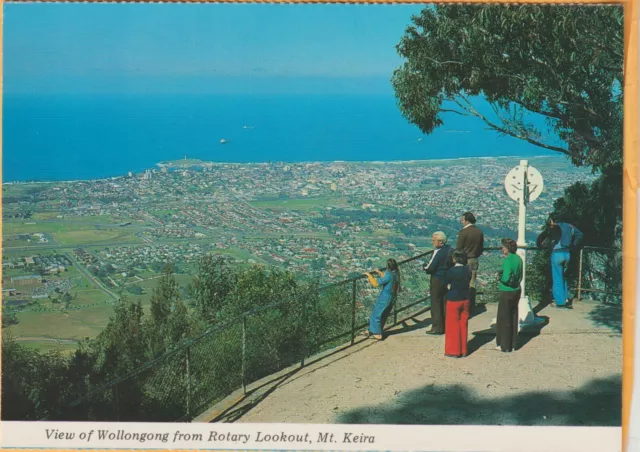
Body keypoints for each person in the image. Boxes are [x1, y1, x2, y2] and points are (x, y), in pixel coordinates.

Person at [536, 214, 584, 308]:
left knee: (557, 278)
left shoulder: (555, 227)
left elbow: (542, 238)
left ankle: (560, 302)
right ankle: (565, 298)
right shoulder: (570, 226)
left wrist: (543, 246)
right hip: (567, 254)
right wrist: (573, 245)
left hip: (557, 254)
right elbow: (580, 235)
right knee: (563, 277)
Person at [442, 249, 472, 358]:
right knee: (463, 324)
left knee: (452, 325)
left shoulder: (451, 271)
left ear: (454, 259)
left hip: (454, 299)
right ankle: (463, 350)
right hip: (466, 298)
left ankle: (453, 351)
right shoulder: (468, 270)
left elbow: (444, 283)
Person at [495, 238, 523, 353]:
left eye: (503, 247)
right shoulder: (518, 259)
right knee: (513, 316)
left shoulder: (508, 260)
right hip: (516, 290)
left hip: (506, 290)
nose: (502, 249)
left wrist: (499, 277)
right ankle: (512, 343)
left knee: (503, 317)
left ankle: (504, 344)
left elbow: (506, 278)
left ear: (507, 248)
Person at [423, 231, 453, 335]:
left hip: (437, 278)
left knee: (436, 303)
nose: (432, 242)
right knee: (444, 302)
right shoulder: (450, 250)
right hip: (447, 278)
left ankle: (437, 327)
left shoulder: (437, 252)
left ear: (440, 242)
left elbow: (430, 268)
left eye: (434, 240)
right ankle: (446, 325)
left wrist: (424, 267)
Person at [365, 258, 401, 340]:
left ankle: (377, 334)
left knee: (376, 315)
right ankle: (375, 330)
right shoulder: (396, 273)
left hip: (385, 297)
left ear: (388, 267)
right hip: (393, 297)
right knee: (384, 314)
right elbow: (388, 278)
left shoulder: (389, 275)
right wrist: (380, 273)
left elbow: (376, 283)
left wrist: (370, 276)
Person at [456, 212, 484, 312]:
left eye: (462, 220)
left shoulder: (463, 232)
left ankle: (463, 306)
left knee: (462, 283)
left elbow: (458, 248)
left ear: (467, 221)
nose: (461, 221)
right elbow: (481, 248)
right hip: (474, 259)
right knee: (472, 283)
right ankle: (471, 305)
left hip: (464, 261)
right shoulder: (479, 232)